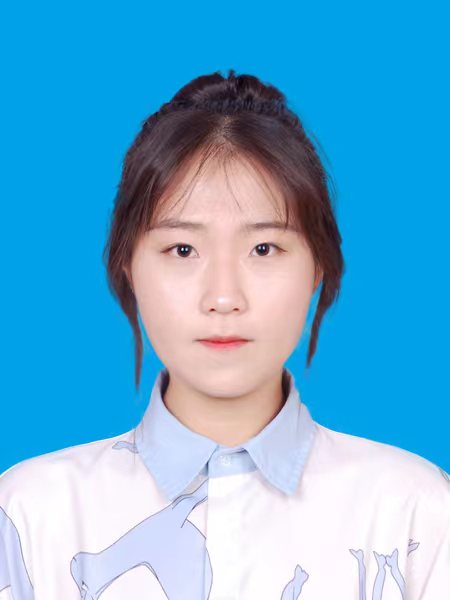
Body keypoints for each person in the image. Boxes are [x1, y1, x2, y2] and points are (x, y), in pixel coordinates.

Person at [0, 70, 448, 600]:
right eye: (182, 250)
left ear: (318, 269)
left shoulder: (415, 513)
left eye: (263, 249)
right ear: (128, 267)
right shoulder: (29, 515)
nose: (223, 297)